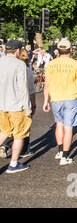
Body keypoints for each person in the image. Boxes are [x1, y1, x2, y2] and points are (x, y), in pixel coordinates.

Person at [43, 39, 77, 166]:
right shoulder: (75, 64)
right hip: (70, 97)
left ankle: (59, 151)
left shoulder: (51, 64)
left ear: (58, 50)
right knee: (69, 127)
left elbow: (46, 85)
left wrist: (45, 100)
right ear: (70, 50)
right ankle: (65, 156)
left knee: (59, 124)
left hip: (55, 98)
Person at [0, 40, 32, 173]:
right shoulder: (20, 65)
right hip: (17, 106)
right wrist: (28, 107)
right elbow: (22, 89)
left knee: (3, 132)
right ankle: (13, 164)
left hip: (2, 104)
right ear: (18, 50)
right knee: (19, 135)